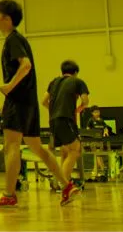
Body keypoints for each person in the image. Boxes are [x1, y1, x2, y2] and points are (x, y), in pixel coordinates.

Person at [0, 0, 69, 208]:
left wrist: (9, 87)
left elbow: (26, 66)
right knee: (36, 147)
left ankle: (9, 194)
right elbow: (24, 74)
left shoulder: (13, 40)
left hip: (19, 103)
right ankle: (67, 185)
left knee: (11, 146)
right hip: (28, 103)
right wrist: (5, 102)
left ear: (6, 19)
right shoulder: (19, 40)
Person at [42, 60, 88, 205]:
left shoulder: (53, 82)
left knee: (65, 151)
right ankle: (65, 186)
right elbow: (85, 101)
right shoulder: (77, 81)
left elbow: (44, 101)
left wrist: (54, 110)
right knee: (75, 150)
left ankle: (63, 188)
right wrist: (78, 109)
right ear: (75, 72)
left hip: (53, 121)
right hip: (66, 119)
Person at [83, 106, 110, 178]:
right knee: (97, 154)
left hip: (101, 141)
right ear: (92, 113)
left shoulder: (101, 120)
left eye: (98, 112)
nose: (97, 113)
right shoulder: (91, 120)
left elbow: (105, 128)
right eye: (95, 112)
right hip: (93, 141)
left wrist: (106, 132)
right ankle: (103, 169)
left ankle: (94, 171)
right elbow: (87, 130)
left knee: (97, 155)